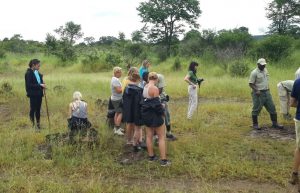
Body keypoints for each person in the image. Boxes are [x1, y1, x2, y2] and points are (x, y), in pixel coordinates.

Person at [141, 72, 171, 166]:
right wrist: (162, 113)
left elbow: (147, 101)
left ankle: (151, 157)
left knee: (149, 136)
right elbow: (157, 105)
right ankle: (163, 160)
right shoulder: (154, 88)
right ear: (156, 79)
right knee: (161, 137)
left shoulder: (145, 86)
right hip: (155, 115)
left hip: (146, 114)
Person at [249, 58, 284, 130]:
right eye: (262, 65)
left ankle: (275, 123)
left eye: (264, 65)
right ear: (258, 64)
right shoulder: (254, 72)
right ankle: (255, 124)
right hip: (258, 93)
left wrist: (268, 89)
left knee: (272, 107)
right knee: (256, 108)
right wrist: (256, 90)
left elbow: (266, 80)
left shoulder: (265, 70)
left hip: (267, 92)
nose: (263, 66)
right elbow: (251, 83)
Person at [122, 67, 143, 151]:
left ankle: (129, 140)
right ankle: (136, 141)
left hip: (127, 106)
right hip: (135, 107)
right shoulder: (137, 88)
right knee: (136, 126)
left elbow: (123, 95)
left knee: (129, 123)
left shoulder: (126, 84)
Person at [25, 59, 46, 131]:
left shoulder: (37, 72)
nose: (39, 67)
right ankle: (33, 126)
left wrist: (43, 85)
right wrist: (40, 85)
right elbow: (29, 85)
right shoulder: (28, 73)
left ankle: (38, 125)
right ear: (33, 65)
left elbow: (40, 81)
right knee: (33, 110)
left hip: (39, 94)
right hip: (33, 94)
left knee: (38, 110)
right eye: (38, 65)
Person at [157, 74, 177, 140]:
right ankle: (161, 136)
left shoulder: (155, 79)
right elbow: (160, 90)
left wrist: (165, 95)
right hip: (159, 101)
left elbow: (161, 90)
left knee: (166, 116)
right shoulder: (160, 77)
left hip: (158, 99)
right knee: (164, 117)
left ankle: (167, 133)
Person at [289, 77, 300, 191]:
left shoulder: (298, 81)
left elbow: (292, 103)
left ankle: (294, 175)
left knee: (299, 148)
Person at [110, 67, 124, 136]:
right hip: (117, 99)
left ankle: (116, 128)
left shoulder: (115, 79)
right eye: (120, 72)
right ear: (116, 73)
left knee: (117, 112)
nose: (121, 74)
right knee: (121, 113)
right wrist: (124, 87)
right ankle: (117, 129)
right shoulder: (115, 80)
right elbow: (118, 91)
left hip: (115, 98)